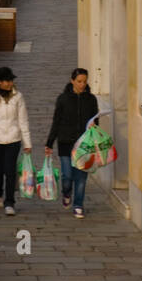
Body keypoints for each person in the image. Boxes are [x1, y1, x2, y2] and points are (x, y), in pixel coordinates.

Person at [45, 68, 100, 219]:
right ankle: (66, 192)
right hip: (65, 142)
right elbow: (56, 121)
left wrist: (94, 128)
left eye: (84, 81)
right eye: (79, 81)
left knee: (81, 177)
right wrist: (49, 143)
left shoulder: (91, 99)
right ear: (72, 81)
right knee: (67, 176)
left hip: (84, 144)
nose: (82, 84)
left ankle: (78, 205)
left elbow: (96, 121)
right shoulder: (63, 99)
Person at [0, 66, 32, 216]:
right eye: (6, 81)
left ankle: (10, 202)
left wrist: (27, 143)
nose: (9, 83)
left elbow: (23, 121)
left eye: (11, 80)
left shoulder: (18, 97)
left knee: (10, 171)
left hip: (13, 139)